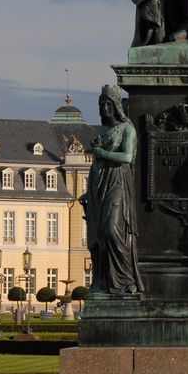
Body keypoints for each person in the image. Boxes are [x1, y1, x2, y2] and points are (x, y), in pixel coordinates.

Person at [79, 85, 143, 297]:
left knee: (111, 229)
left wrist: (101, 152)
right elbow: (95, 161)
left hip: (117, 181)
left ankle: (126, 279)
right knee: (98, 236)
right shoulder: (100, 131)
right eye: (101, 105)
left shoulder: (127, 129)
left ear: (116, 105)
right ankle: (102, 281)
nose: (105, 108)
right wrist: (88, 193)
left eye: (108, 104)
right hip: (98, 182)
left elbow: (127, 157)